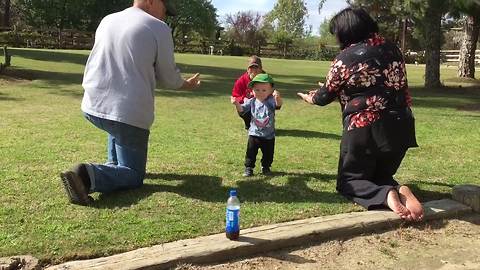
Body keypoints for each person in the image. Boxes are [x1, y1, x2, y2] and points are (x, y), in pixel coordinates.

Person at [60, 0, 201, 205]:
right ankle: (85, 175)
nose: (164, 16)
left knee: (117, 136)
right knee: (134, 175)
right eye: (165, 10)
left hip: (93, 105)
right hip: (128, 112)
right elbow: (168, 78)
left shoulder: (108, 19)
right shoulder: (158, 27)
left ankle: (111, 166)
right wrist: (187, 85)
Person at [297, 8, 424, 221]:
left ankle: (386, 195)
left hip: (365, 129)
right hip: (401, 127)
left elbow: (323, 96)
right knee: (378, 175)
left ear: (346, 32)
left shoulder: (345, 57)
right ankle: (398, 189)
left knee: (349, 181)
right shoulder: (393, 49)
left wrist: (312, 97)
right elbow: (380, 85)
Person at [231, 73, 283, 177]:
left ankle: (266, 167)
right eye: (257, 90)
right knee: (250, 152)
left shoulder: (271, 101)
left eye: (264, 90)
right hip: (254, 133)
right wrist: (236, 103)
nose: (260, 93)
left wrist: (278, 98)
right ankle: (249, 168)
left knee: (268, 154)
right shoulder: (252, 101)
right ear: (252, 90)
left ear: (271, 91)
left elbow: (278, 105)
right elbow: (242, 110)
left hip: (268, 135)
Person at [231, 55, 264, 129]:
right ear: (247, 69)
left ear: (261, 69)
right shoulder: (241, 80)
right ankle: (248, 123)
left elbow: (271, 94)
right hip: (247, 105)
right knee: (244, 107)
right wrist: (246, 98)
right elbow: (235, 95)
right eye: (251, 68)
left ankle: (264, 124)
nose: (254, 71)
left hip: (262, 106)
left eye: (256, 68)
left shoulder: (266, 80)